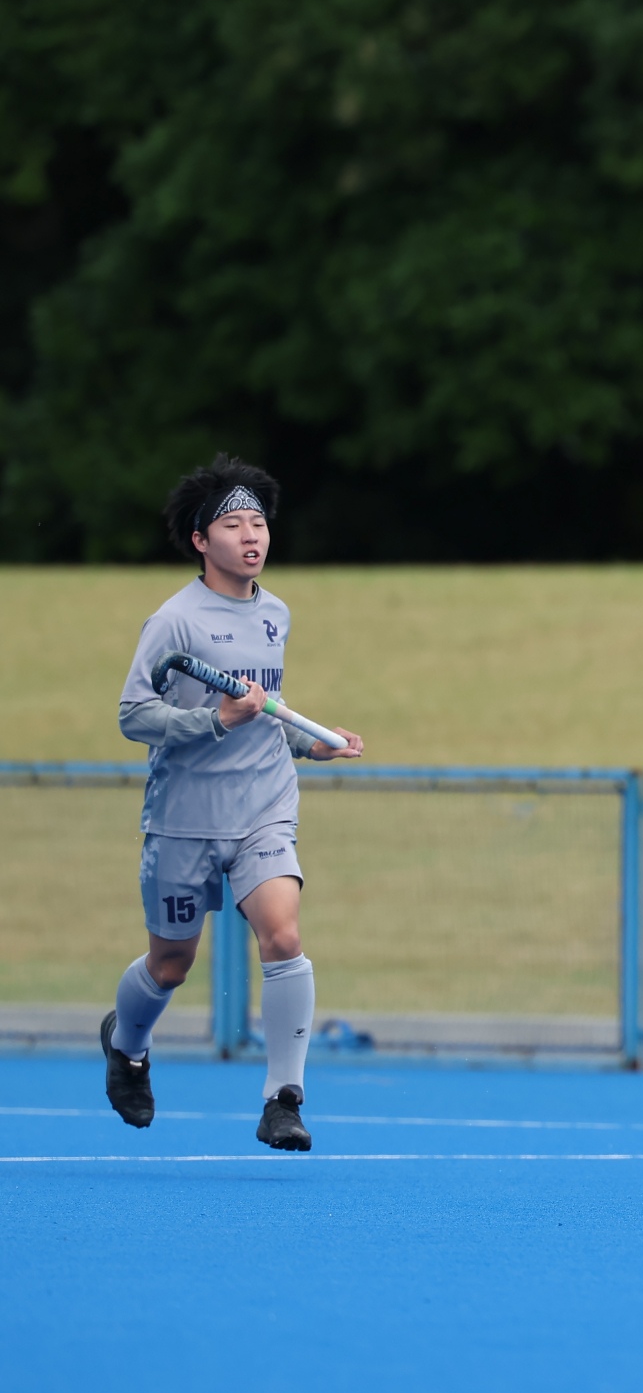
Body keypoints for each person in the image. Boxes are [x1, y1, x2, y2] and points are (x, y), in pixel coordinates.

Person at [101, 456, 363, 1151]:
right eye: (233, 525)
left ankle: (283, 1099)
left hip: (262, 807)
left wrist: (311, 743)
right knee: (170, 965)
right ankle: (127, 1047)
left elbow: (266, 711)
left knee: (283, 935)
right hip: (184, 817)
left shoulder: (276, 614)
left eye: (259, 523)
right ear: (200, 540)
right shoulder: (173, 623)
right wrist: (213, 720)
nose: (252, 536)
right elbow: (133, 716)